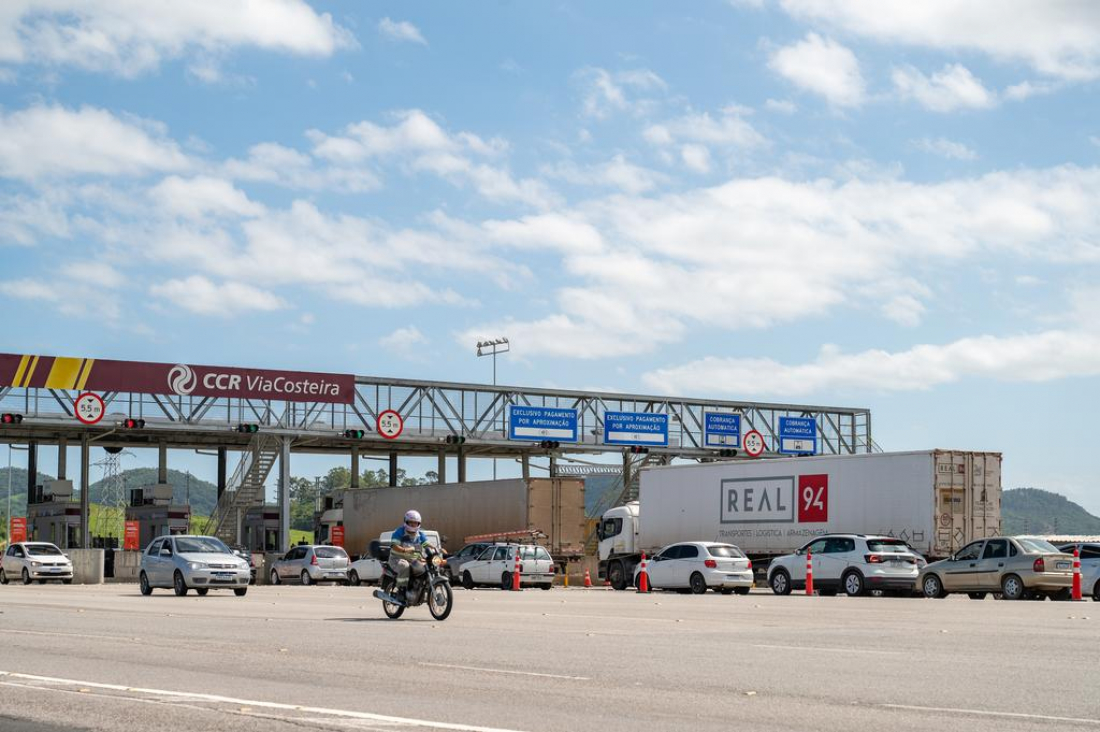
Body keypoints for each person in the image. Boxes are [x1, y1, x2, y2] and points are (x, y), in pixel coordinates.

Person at [389, 509, 430, 603]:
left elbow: (425, 544)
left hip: (412, 560)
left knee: (424, 568)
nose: (413, 525)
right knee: (404, 566)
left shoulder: (419, 534)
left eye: (415, 523)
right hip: (397, 559)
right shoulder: (399, 532)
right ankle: (401, 591)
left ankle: (418, 589)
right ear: (406, 522)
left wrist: (437, 548)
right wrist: (405, 550)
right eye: (410, 523)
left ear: (418, 524)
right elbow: (394, 546)